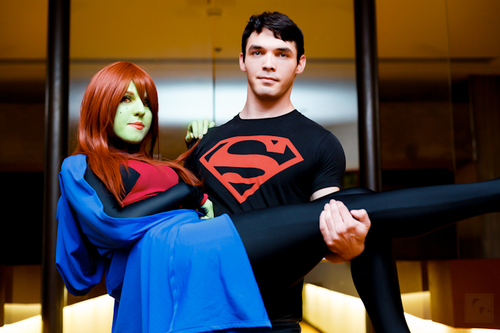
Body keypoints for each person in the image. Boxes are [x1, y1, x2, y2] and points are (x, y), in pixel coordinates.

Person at [56, 61, 500, 333]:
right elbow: (110, 224)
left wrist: (189, 175)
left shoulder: (171, 167)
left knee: (355, 202)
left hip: (206, 250)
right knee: (349, 203)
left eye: (146, 102)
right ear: (99, 106)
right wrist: (183, 191)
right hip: (175, 259)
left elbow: (196, 198)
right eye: (125, 100)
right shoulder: (82, 165)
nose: (139, 111)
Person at [182, 11, 498, 333]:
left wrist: (351, 247)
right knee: (360, 199)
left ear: (300, 63)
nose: (268, 63)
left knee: (356, 206)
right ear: (242, 60)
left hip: (275, 315)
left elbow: (330, 232)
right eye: (258, 52)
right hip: (211, 300)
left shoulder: (320, 143)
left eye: (282, 54)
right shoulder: (206, 142)